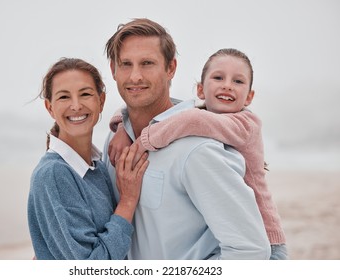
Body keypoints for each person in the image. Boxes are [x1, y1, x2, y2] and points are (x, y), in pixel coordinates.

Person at [103, 18, 271, 259]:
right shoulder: (115, 137)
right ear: (113, 70)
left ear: (171, 68)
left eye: (148, 63)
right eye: (126, 64)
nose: (135, 76)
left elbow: (251, 251)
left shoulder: (197, 148)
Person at [27, 58, 149, 260]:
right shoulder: (55, 174)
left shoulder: (97, 168)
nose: (76, 106)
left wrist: (122, 127)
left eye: (85, 94)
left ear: (101, 101)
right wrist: (128, 201)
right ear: (50, 107)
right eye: (64, 97)